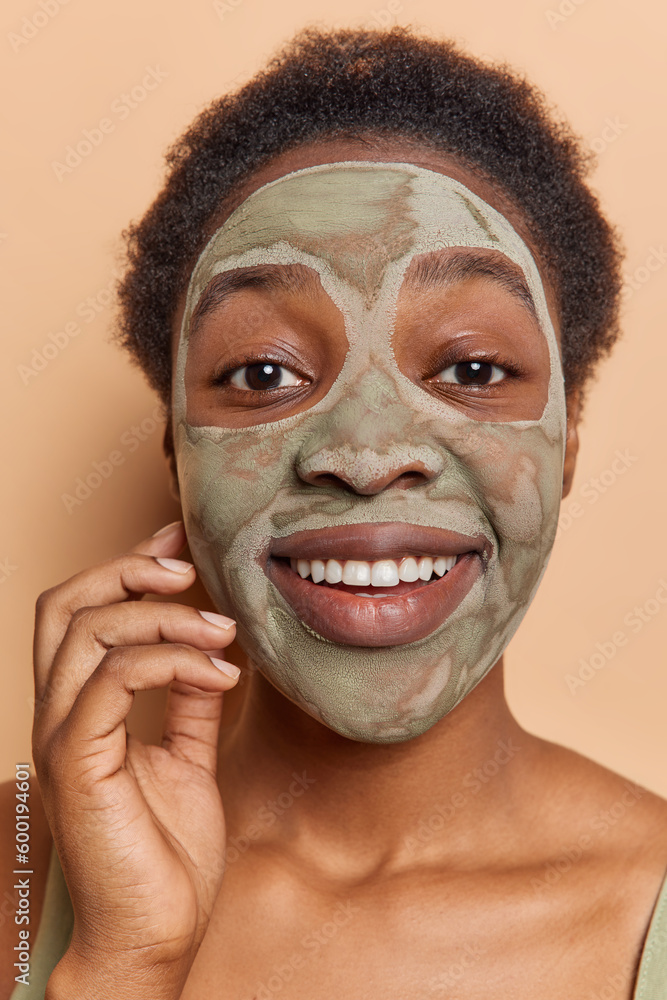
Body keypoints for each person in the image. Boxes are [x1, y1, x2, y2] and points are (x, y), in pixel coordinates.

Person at [2, 25, 666, 1000]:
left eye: (474, 368)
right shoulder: (20, 881)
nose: (364, 456)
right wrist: (121, 964)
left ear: (565, 444)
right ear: (175, 445)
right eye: (263, 371)